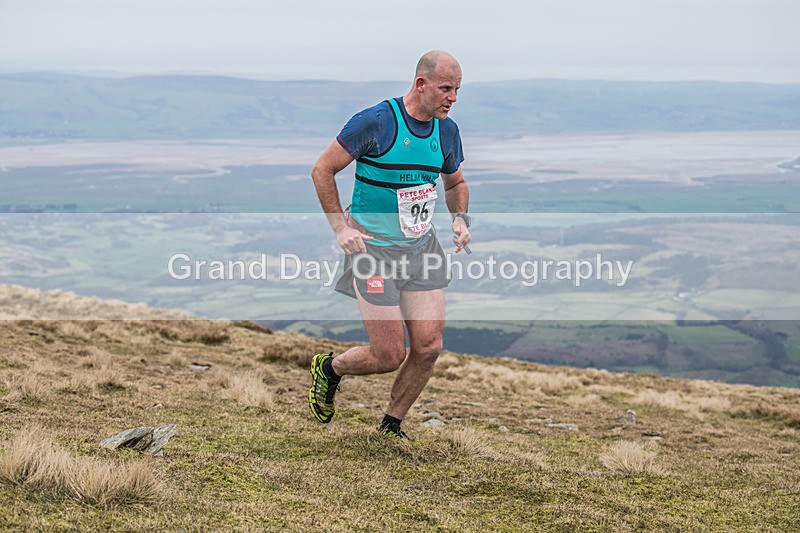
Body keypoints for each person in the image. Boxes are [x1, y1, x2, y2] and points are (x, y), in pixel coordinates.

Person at [308, 50, 471, 438]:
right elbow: (323, 169)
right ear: (421, 85)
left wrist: (461, 219)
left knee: (428, 347)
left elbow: (456, 182)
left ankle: (391, 425)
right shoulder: (377, 121)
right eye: (446, 89)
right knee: (389, 355)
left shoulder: (446, 131)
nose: (453, 98)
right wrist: (340, 228)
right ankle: (330, 369)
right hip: (374, 253)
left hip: (421, 250)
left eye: (458, 90)